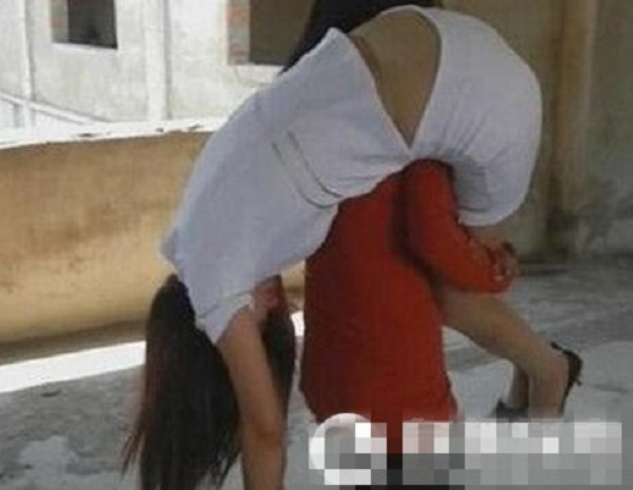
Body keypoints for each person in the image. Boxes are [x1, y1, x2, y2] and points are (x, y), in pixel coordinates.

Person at [123, 1, 557, 489]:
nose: (276, 305)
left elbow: (264, 430)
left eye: (261, 319)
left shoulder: (216, 286)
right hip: (418, 34)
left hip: (486, 99)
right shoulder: (195, 222)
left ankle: (549, 376)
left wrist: (492, 268)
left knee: (461, 296)